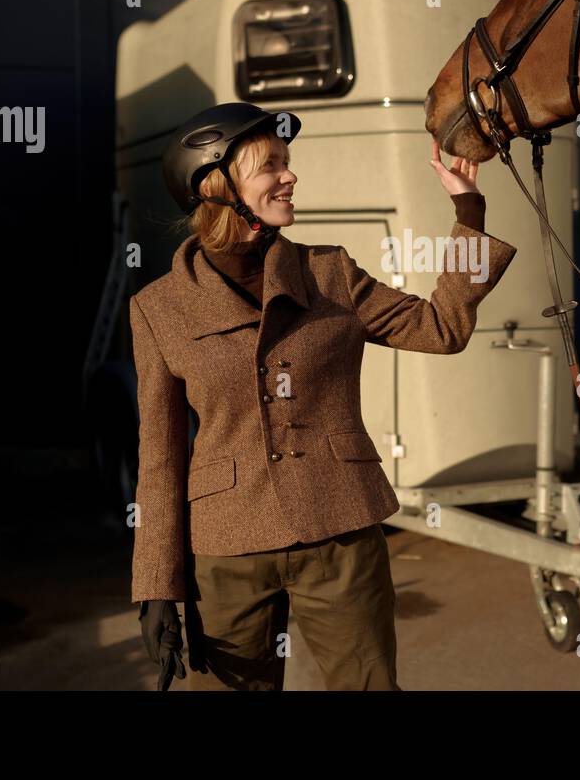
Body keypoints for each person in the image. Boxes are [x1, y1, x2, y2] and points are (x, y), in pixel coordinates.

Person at [130, 102, 517, 690]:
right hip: (226, 550)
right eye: (271, 166)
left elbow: (442, 328)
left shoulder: (331, 273)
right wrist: (157, 585)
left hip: (341, 530)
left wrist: (468, 208)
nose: (290, 176)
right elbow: (159, 460)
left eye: (288, 162)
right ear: (217, 185)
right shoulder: (158, 309)